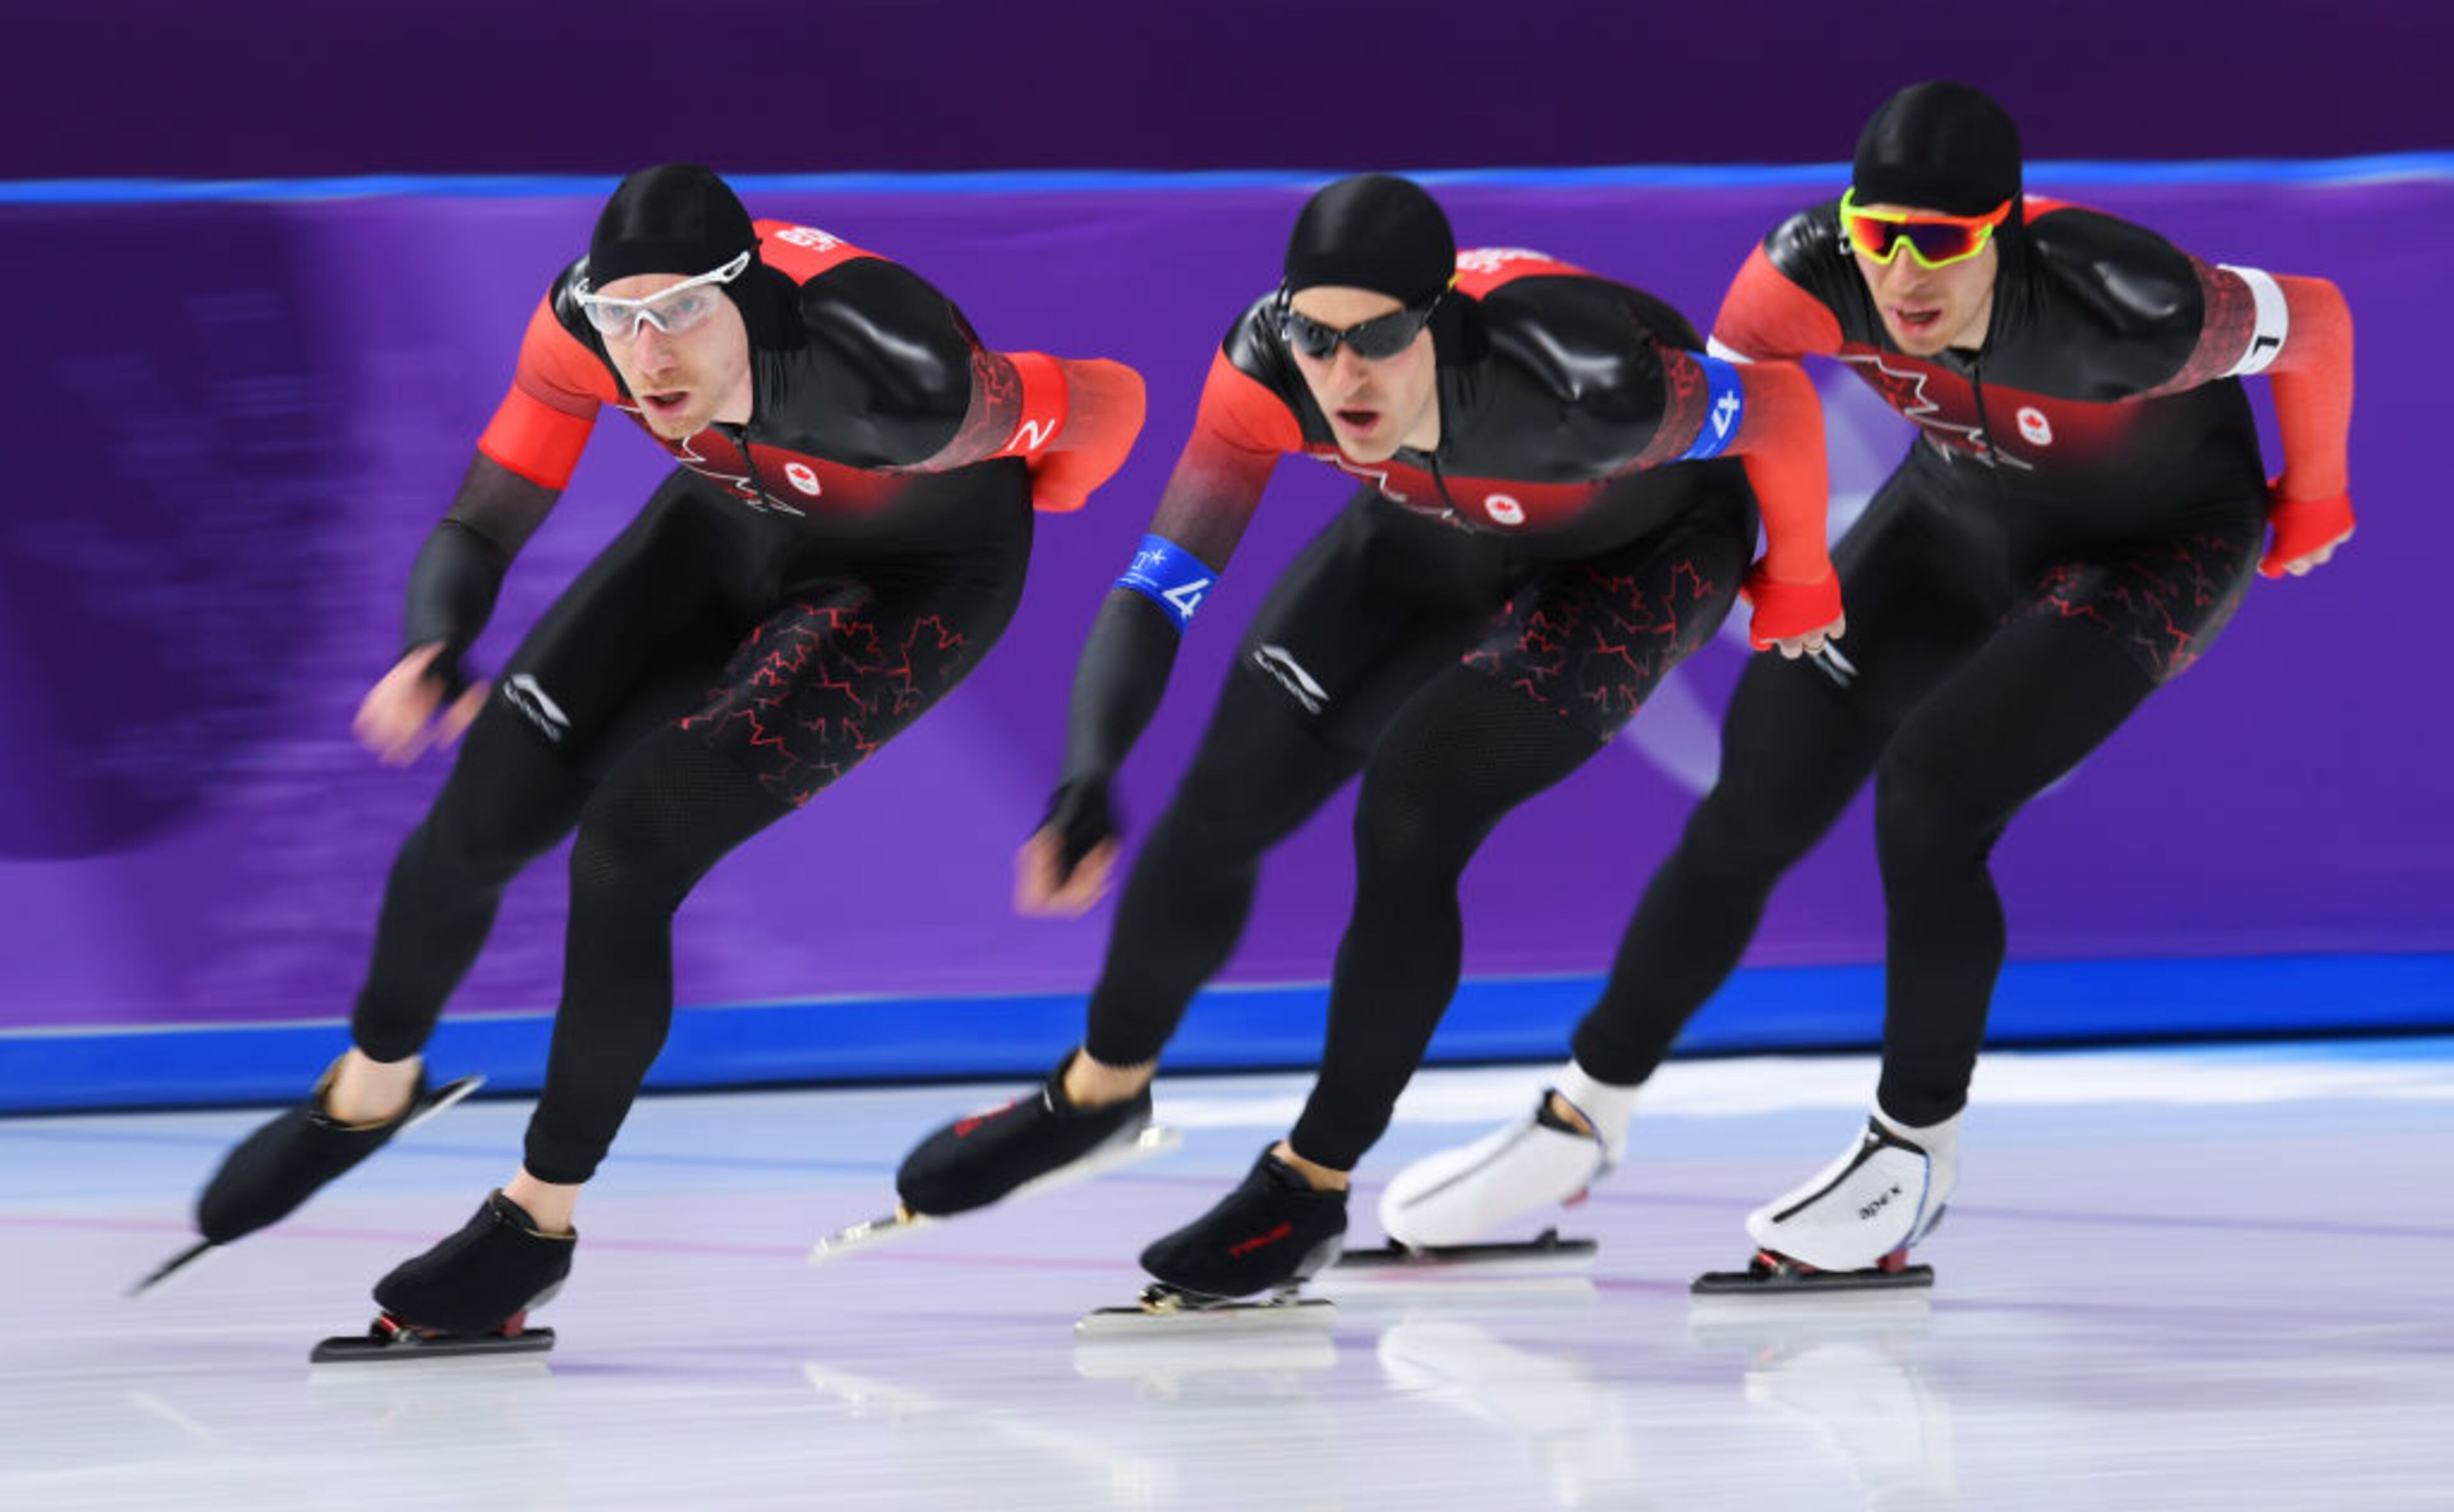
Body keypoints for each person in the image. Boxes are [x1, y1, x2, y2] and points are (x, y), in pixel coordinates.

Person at [1380, 82, 2356, 1286]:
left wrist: (2315, 492)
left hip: (2155, 548)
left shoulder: (2125, 298)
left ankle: (1914, 1150)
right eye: (1878, 232)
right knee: (1757, 791)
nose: (1902, 273)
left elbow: (2312, 318)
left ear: (2003, 228)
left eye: (1939, 241)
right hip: (1953, 518)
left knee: (1936, 795)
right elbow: (1751, 408)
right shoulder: (1803, 273)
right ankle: (1584, 1115)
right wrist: (1790, 566)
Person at [159, 164, 1145, 1341]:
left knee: (630, 847)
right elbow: (488, 508)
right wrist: (438, 639)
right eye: (625, 319)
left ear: (750, 297)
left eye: (679, 313)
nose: (649, 354)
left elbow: (1108, 401)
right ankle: (369, 1090)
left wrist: (1048, 497)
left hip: (914, 582)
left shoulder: (899, 374)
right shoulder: (583, 327)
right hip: (722, 532)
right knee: (483, 811)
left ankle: (533, 1228)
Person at [888, 173, 1842, 1305]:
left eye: (1379, 340)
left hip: (1643, 548)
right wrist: (1087, 772)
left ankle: (1309, 1186)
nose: (1342, 375)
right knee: (1218, 806)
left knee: (1414, 798)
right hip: (1429, 528)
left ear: (1439, 324)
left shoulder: (1588, 385)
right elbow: (1159, 586)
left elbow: (1777, 410)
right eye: (1318, 337)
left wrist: (1799, 577)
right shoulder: (1265, 372)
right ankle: (1100, 1094)